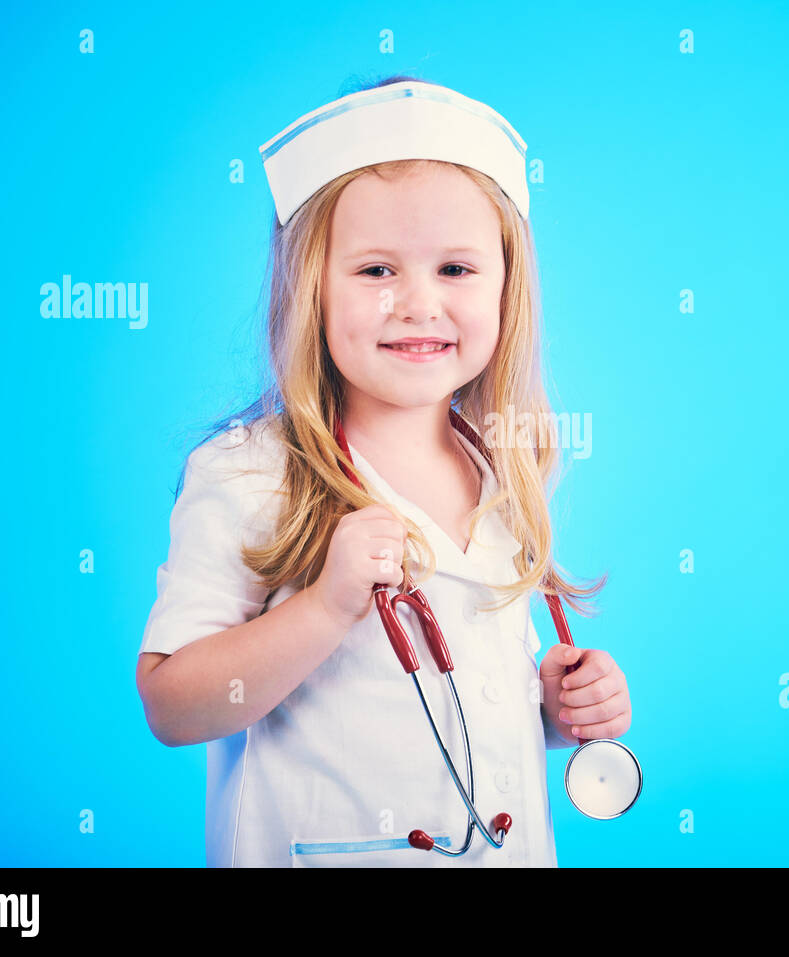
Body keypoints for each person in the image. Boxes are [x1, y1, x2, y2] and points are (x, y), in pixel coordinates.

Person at [134, 76, 633, 866]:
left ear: (508, 288)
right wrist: (325, 609)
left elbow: (466, 704)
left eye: (457, 270)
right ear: (310, 291)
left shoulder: (501, 466)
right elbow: (171, 706)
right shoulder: (251, 472)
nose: (418, 304)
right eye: (375, 271)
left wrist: (555, 705)